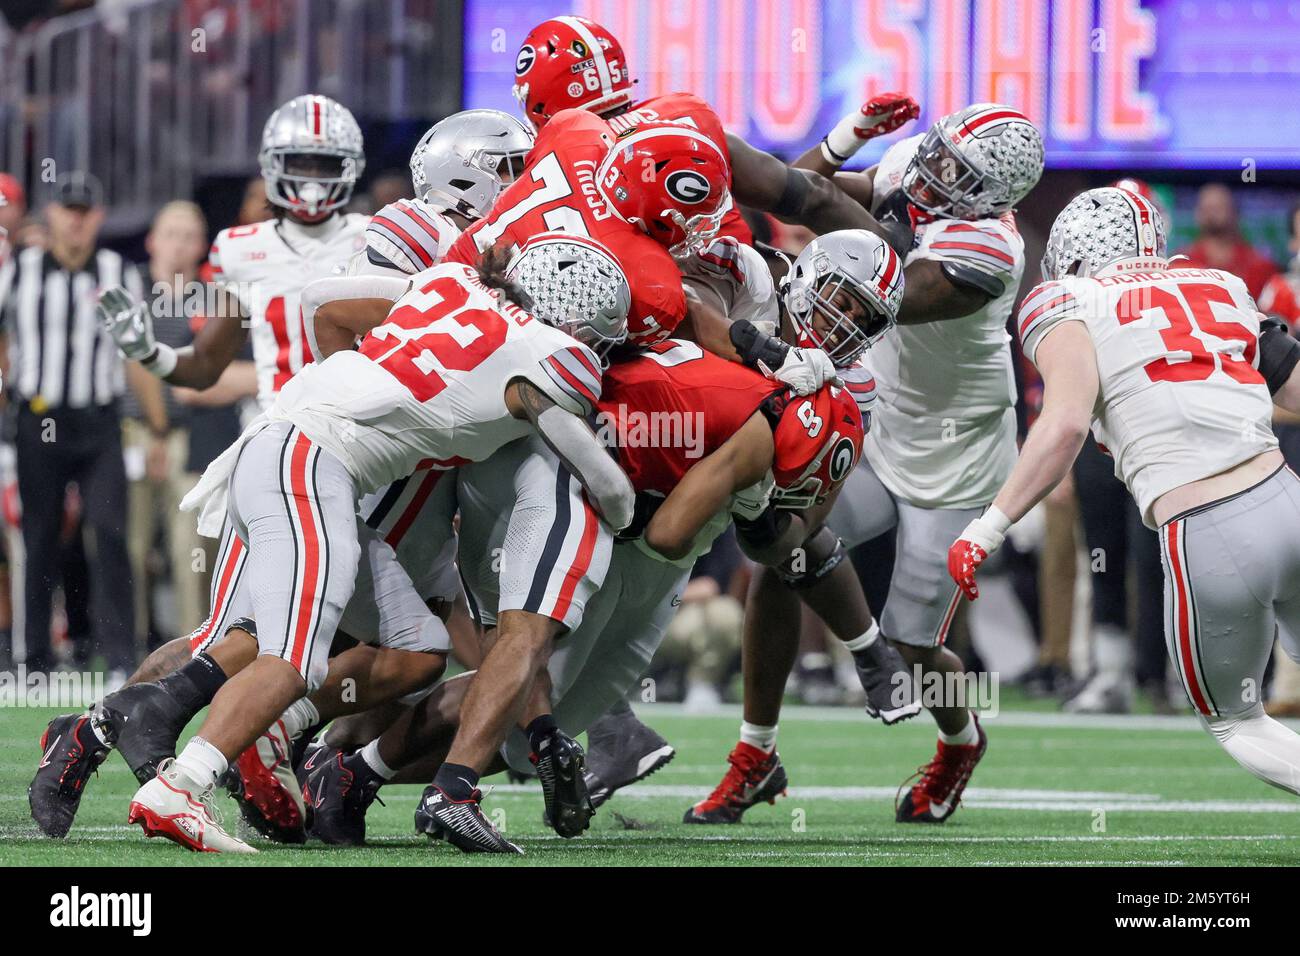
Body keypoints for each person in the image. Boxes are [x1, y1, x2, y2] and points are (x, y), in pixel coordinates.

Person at [124, 236, 635, 853]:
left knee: (419, 645)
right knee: (292, 657)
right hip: (312, 465)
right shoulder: (552, 355)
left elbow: (325, 306)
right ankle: (181, 786)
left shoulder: (452, 284)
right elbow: (608, 484)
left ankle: (254, 736)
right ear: (578, 320)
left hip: (288, 444)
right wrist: (624, 515)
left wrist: (363, 400)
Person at [686, 103, 1042, 826]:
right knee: (781, 547)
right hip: (879, 423)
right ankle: (756, 753)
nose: (935, 172)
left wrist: (815, 209)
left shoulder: (988, 256)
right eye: (941, 155)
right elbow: (801, 192)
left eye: (957, 173)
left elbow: (866, 293)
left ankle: (959, 739)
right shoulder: (922, 162)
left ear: (990, 197)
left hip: (956, 454)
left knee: (915, 642)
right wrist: (843, 141)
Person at [951, 184, 1300, 800]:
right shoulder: (1217, 283)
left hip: (1208, 528)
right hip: (1286, 498)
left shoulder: (1066, 298)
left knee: (1237, 719)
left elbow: (1063, 423)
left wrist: (987, 526)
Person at [0, 172, 166, 677]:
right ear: (50, 215)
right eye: (66, 209)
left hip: (98, 424)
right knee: (40, 536)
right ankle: (37, 661)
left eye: (84, 211)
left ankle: (119, 656)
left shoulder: (120, 271)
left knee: (111, 533)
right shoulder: (18, 270)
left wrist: (158, 429)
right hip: (38, 420)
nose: (74, 219)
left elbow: (138, 355)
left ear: (97, 218)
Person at [1175, 183, 1277, 298]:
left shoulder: (1259, 266)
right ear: (1197, 214)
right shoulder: (1181, 264)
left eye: (1218, 208)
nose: (1211, 213)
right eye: (1206, 208)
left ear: (1234, 212)